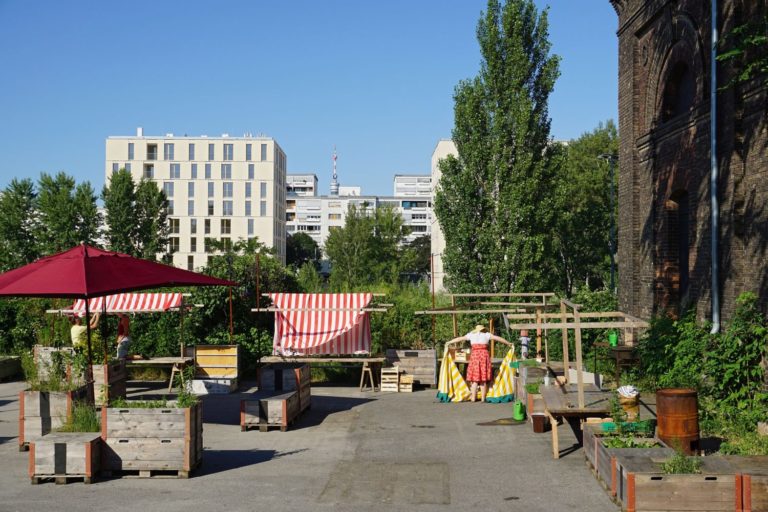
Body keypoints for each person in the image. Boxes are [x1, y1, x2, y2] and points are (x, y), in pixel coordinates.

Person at [447, 324, 512, 402]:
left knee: (474, 379)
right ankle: (483, 399)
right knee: (483, 379)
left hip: (475, 356)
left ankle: (473, 398)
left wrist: (449, 342)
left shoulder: (471, 335)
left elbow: (460, 338)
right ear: (483, 330)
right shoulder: (487, 335)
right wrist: (508, 343)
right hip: (484, 356)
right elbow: (498, 338)